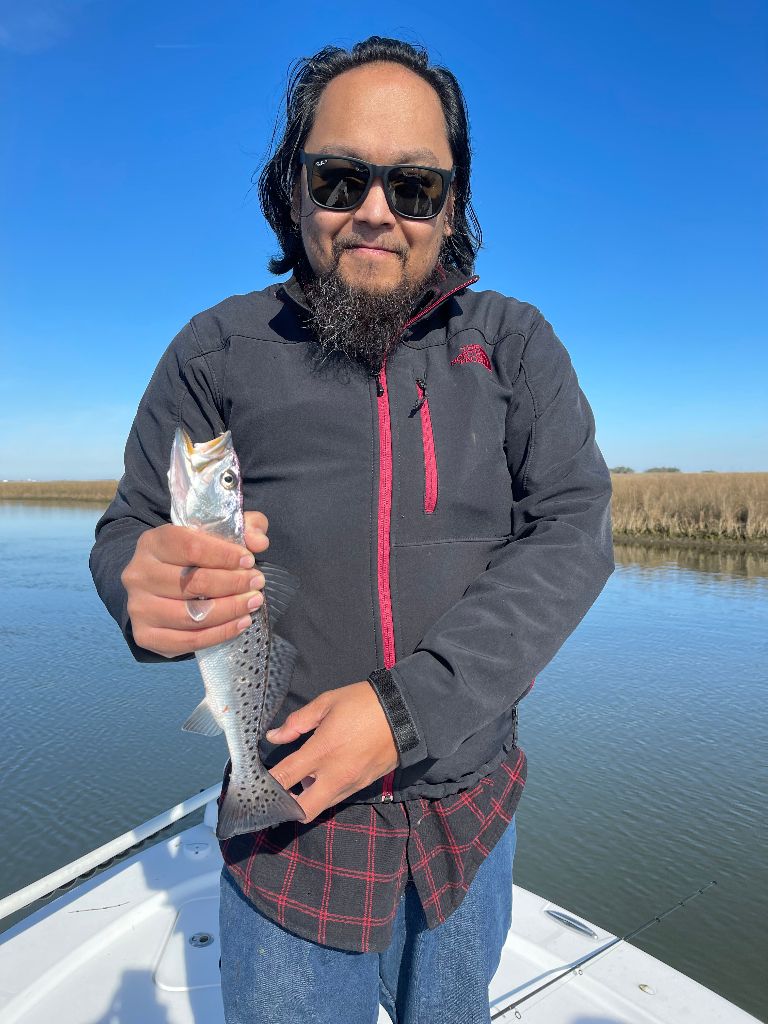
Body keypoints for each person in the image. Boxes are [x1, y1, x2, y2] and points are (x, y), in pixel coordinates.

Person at [90, 36, 614, 1024]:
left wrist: (408, 710)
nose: (376, 210)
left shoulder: (514, 344)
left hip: (470, 810)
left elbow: (575, 531)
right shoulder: (217, 351)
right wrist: (138, 583)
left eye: (414, 187)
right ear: (294, 190)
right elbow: (131, 530)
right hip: (290, 822)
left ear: (449, 208)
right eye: (340, 177)